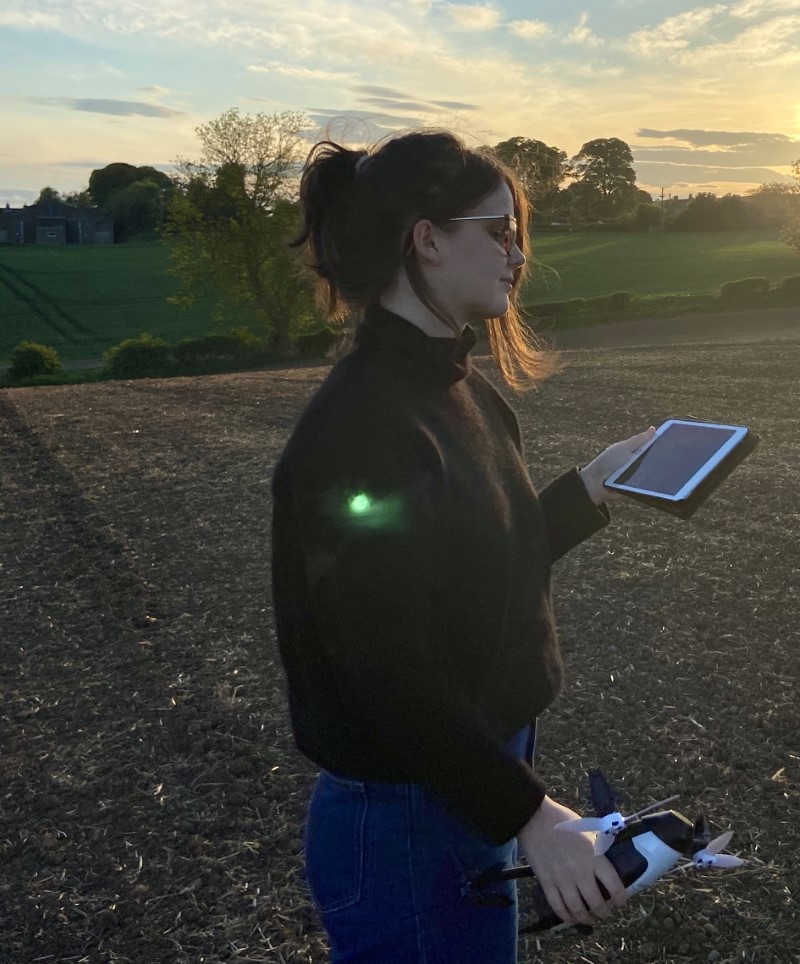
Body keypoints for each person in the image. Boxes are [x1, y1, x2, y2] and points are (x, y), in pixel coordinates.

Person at [271, 129, 654, 962]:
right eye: (500, 229)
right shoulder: (363, 431)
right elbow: (384, 666)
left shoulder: (462, 391)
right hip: (411, 813)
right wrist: (530, 816)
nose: (519, 254)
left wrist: (589, 488)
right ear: (428, 239)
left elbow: (474, 570)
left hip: (464, 776)